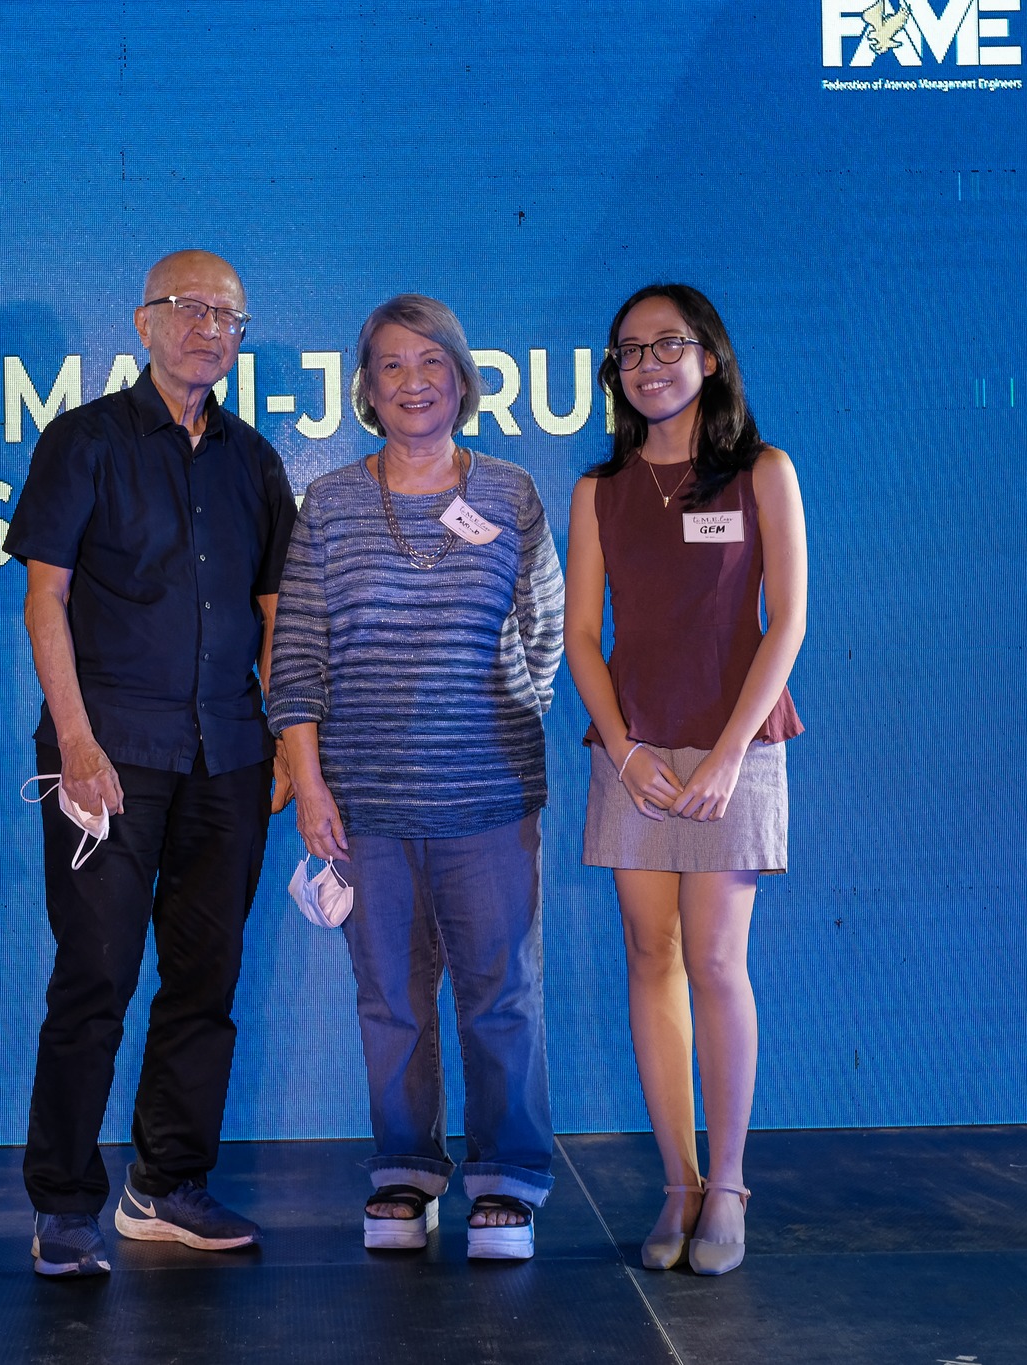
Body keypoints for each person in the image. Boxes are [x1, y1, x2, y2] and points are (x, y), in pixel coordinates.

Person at [3, 250, 296, 1279]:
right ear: (142, 321)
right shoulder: (82, 441)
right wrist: (76, 744)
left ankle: (166, 1185)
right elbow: (44, 601)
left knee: (204, 978)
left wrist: (288, 748)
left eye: (229, 313)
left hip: (228, 758)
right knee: (94, 976)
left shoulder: (254, 462)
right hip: (109, 759)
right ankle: (64, 1202)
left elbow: (276, 619)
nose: (208, 327)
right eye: (188, 308)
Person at [270, 294, 565, 1261]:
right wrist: (310, 786)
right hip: (369, 809)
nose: (412, 383)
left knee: (500, 994)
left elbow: (550, 636)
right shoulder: (332, 504)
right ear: (365, 388)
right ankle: (405, 1171)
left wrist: (499, 717)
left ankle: (509, 1179)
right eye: (390, 366)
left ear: (461, 377)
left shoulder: (514, 493)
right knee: (389, 1002)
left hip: (487, 800)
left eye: (429, 362)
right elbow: (299, 655)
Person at [563, 283, 807, 1276]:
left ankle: (730, 1188)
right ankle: (677, 1182)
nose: (646, 364)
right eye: (627, 351)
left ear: (709, 357)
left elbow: (785, 622)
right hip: (631, 751)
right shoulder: (599, 490)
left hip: (733, 749)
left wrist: (726, 755)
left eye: (667, 344)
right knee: (645, 955)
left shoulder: (762, 471)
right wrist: (621, 750)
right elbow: (582, 634)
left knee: (715, 962)